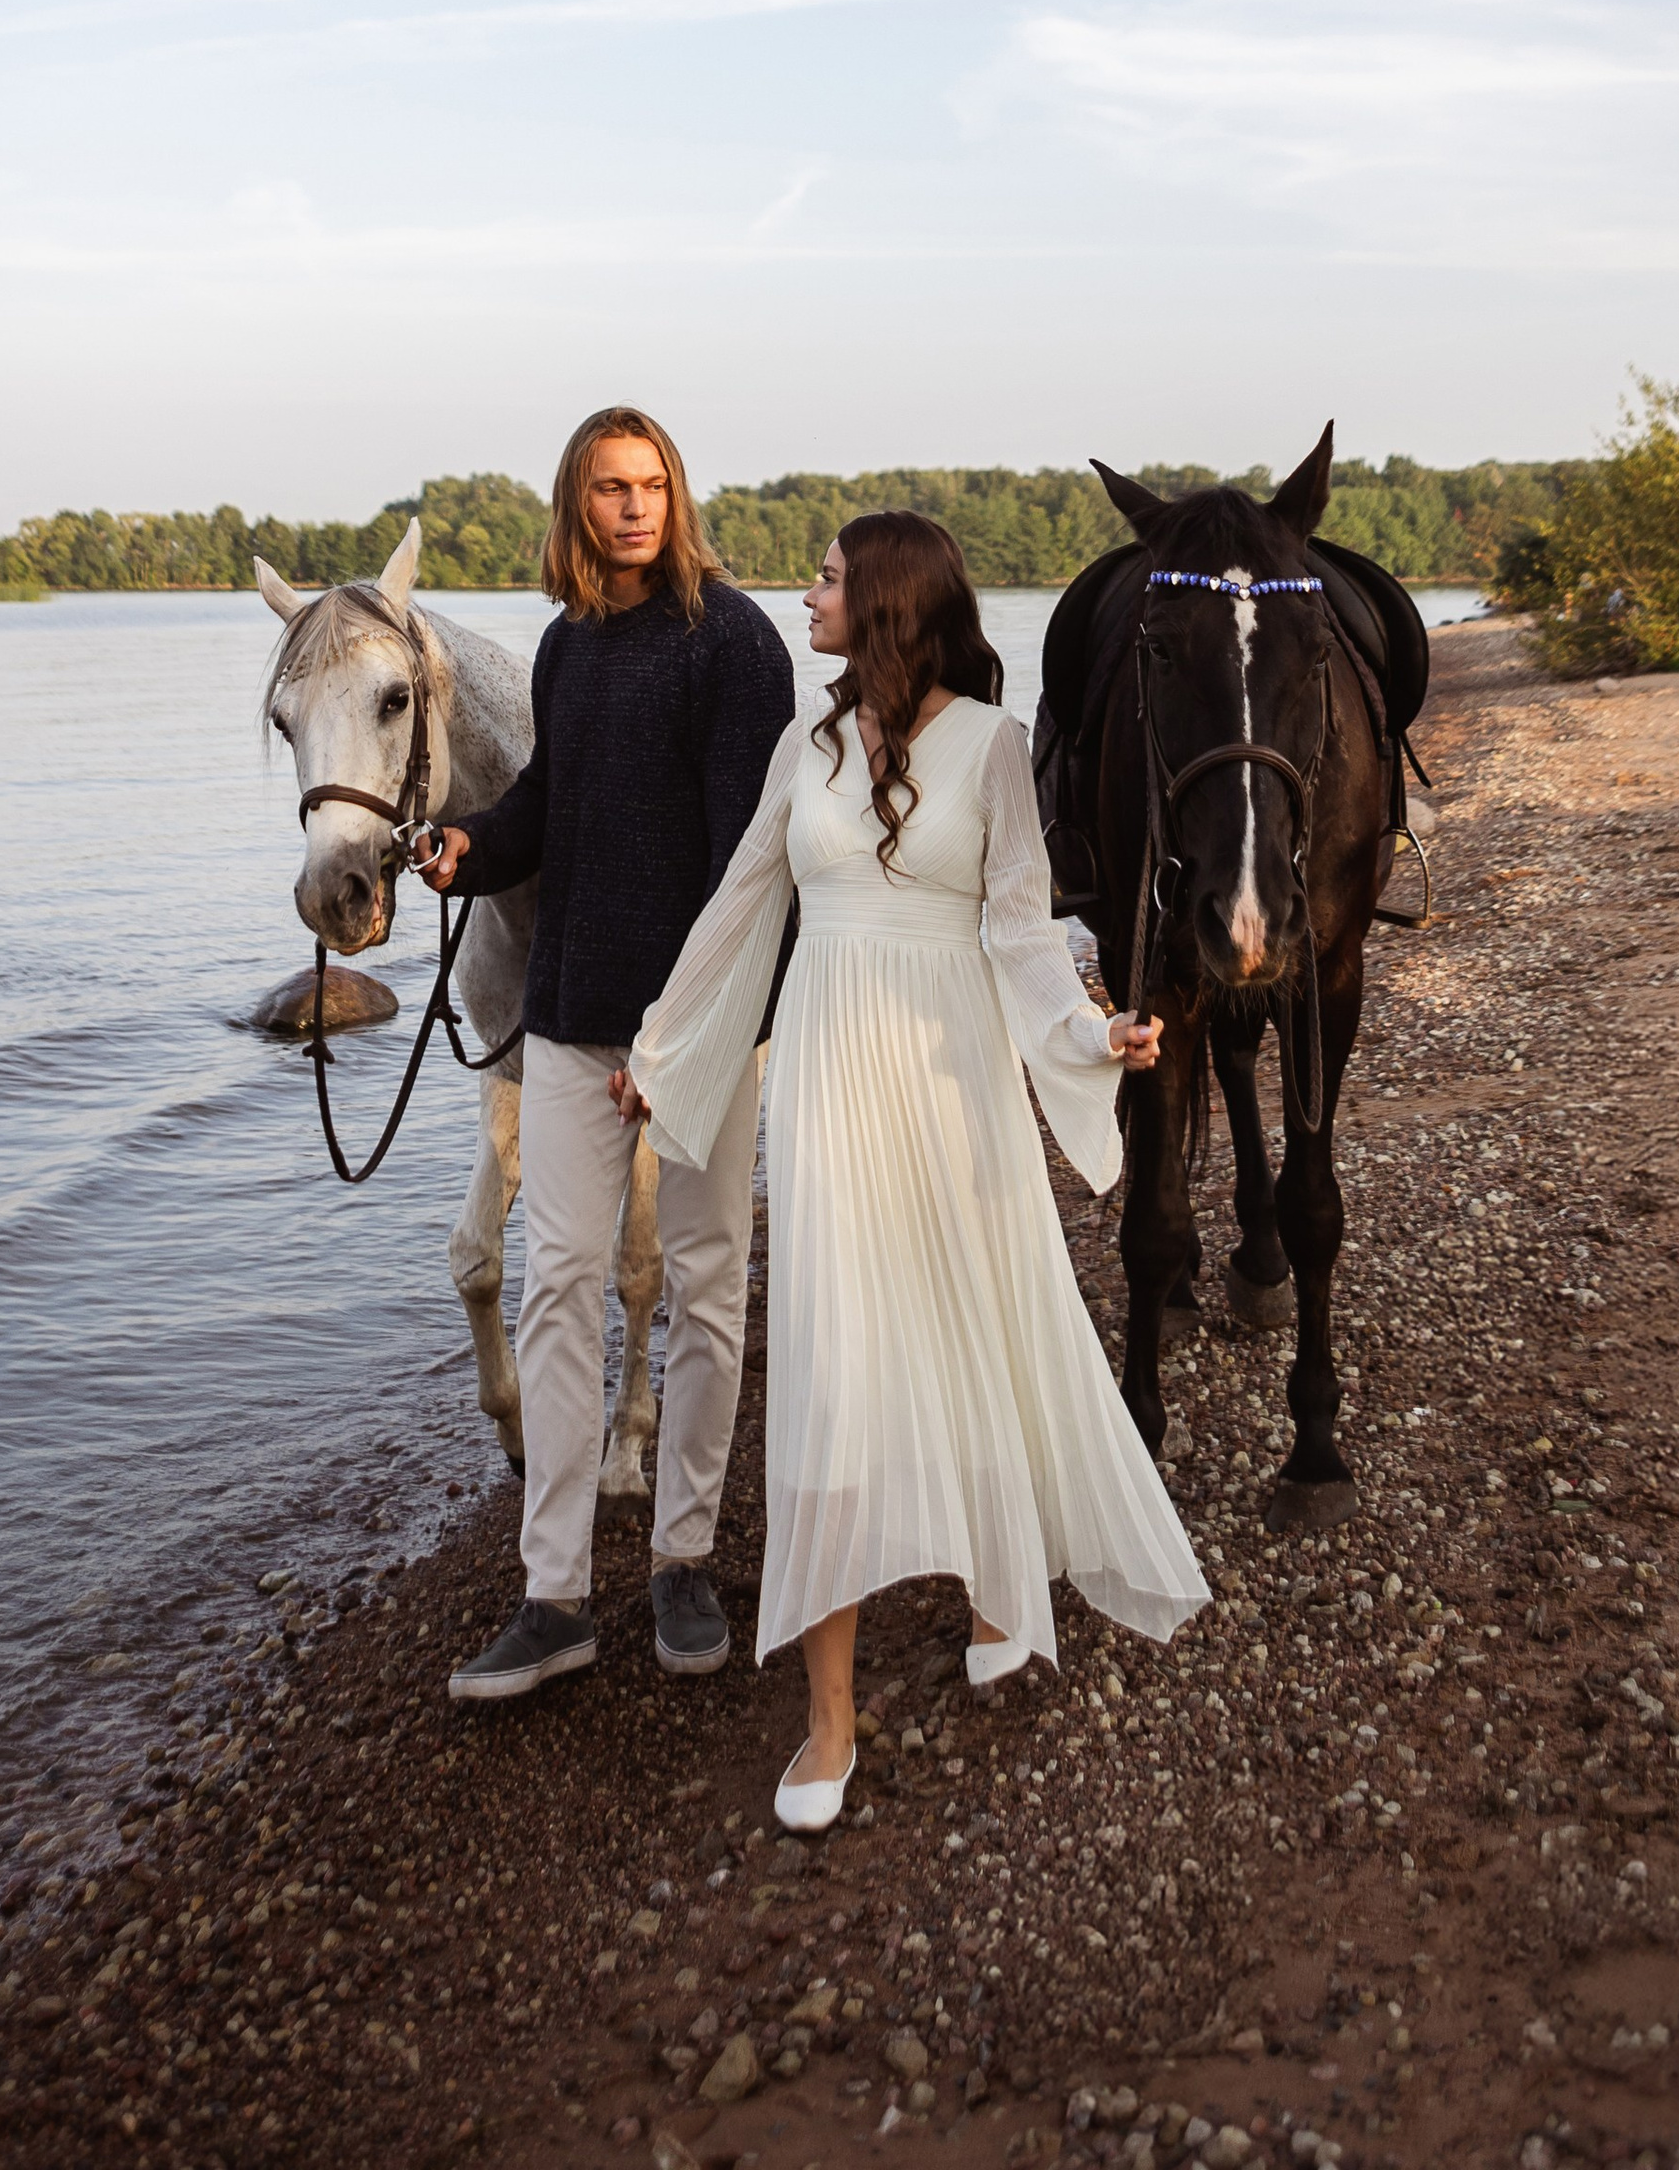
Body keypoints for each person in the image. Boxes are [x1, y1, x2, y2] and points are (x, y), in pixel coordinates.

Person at [614, 508, 1208, 1831]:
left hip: (954, 1082)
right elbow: (737, 912)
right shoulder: (799, 748)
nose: (805, 593)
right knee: (832, 1358)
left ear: (883, 601)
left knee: (974, 1325)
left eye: (825, 576)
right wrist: (661, 1051)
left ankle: (1003, 1581)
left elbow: (1018, 927)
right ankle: (829, 1720)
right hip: (828, 1076)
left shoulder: (995, 749)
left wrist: (1089, 1031)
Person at [414, 408, 796, 1698]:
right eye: (607, 488)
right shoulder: (569, 646)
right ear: (575, 505)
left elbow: (749, 864)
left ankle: (683, 1560)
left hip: (693, 1027)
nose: (632, 508)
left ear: (675, 497)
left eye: (651, 486)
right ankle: (555, 1594)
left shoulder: (735, 642)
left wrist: (685, 1034)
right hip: (571, 1022)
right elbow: (546, 810)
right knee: (560, 1287)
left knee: (704, 1283)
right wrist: (474, 847)